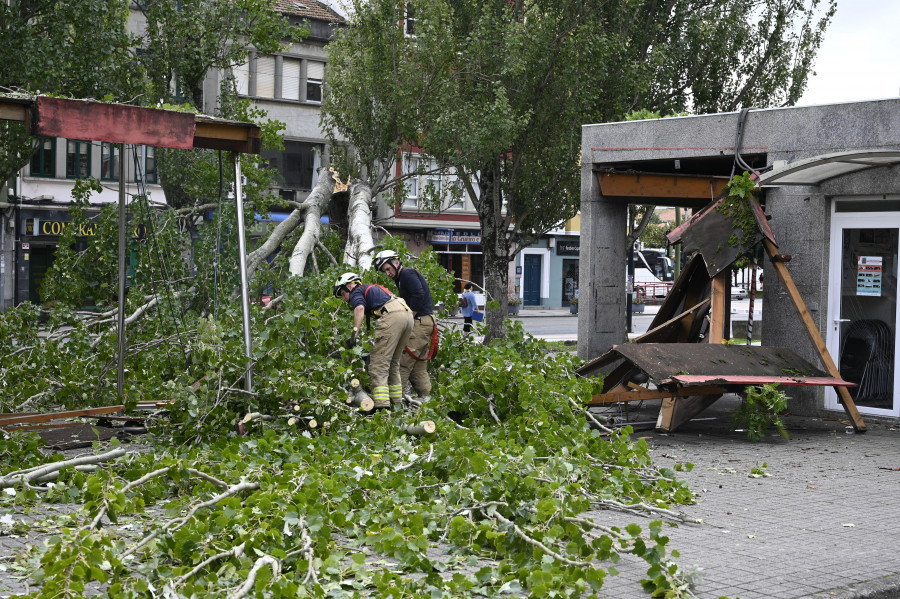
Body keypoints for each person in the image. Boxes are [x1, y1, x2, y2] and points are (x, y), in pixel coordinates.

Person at [333, 272, 413, 410]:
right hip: (406, 314)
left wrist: (354, 335)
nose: (344, 299)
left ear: (349, 286)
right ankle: (397, 404)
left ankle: (382, 408)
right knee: (393, 363)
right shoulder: (370, 290)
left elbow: (359, 308)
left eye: (343, 294)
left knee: (378, 365)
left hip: (391, 315)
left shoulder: (357, 292)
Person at [373, 250, 436, 399]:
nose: (387, 273)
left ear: (396, 262)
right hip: (425, 322)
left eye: (388, 269)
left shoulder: (407, 274)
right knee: (418, 368)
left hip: (420, 322)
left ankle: (396, 403)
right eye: (384, 271)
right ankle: (427, 402)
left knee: (402, 363)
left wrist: (408, 317)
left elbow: (418, 294)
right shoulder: (401, 278)